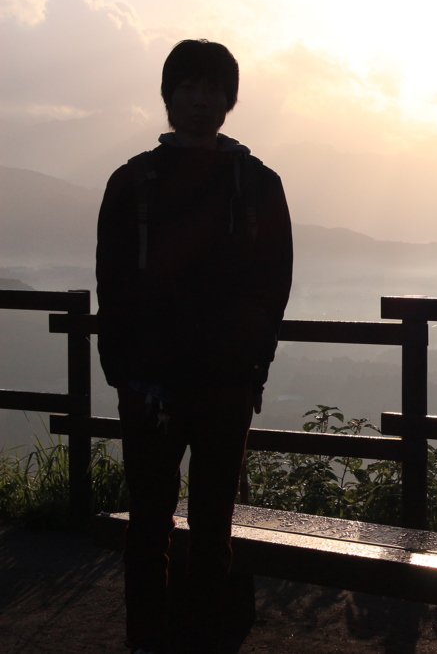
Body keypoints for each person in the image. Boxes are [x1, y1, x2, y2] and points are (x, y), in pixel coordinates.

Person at [96, 39, 293, 654]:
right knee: (150, 526)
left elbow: (274, 281)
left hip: (225, 382)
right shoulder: (133, 183)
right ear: (169, 96)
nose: (200, 99)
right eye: (188, 87)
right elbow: (113, 278)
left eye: (213, 88)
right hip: (153, 384)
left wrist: (254, 360)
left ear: (230, 99)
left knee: (212, 527)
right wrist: (124, 373)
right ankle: (148, 641)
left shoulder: (258, 185)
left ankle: (198, 640)